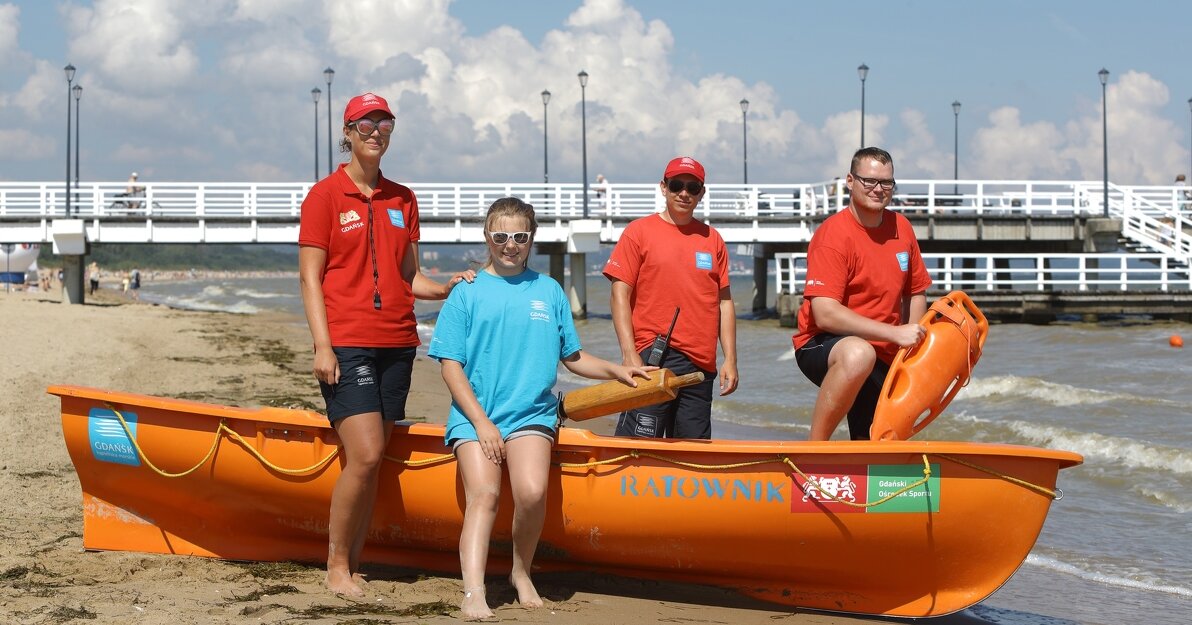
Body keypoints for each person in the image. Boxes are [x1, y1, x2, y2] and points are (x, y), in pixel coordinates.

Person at [429, 197, 651, 620]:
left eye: (519, 236)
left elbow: (573, 357)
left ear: (531, 239)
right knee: (485, 494)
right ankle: (473, 592)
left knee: (532, 492)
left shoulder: (548, 290)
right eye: (500, 236)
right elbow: (450, 366)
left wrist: (619, 372)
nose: (509, 245)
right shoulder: (467, 292)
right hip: (476, 416)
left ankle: (520, 571)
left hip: (532, 415)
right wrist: (481, 423)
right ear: (487, 238)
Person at [298, 91, 474, 598]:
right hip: (347, 343)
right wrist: (322, 346)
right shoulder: (324, 197)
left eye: (385, 123)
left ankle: (355, 561)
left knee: (371, 460)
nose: (376, 131)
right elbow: (310, 280)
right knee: (369, 454)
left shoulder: (403, 198)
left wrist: (445, 289)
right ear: (348, 132)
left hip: (399, 343)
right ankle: (335, 565)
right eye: (366, 123)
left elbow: (409, 276)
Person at [794, 147, 932, 441]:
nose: (878, 189)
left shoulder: (902, 228)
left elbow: (915, 291)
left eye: (886, 183)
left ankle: (867, 475)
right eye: (869, 181)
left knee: (878, 439)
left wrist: (910, 342)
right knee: (859, 353)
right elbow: (825, 313)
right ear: (850, 181)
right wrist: (894, 334)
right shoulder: (833, 236)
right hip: (823, 343)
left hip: (883, 350)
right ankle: (813, 452)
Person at [603, 156, 738, 439]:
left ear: (702, 192)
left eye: (693, 187)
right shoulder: (638, 232)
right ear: (663, 187)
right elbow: (619, 293)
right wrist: (629, 354)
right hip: (652, 358)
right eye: (677, 185)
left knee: (693, 455)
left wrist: (730, 359)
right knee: (637, 446)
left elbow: (724, 302)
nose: (684, 193)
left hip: (701, 364)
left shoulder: (712, 239)